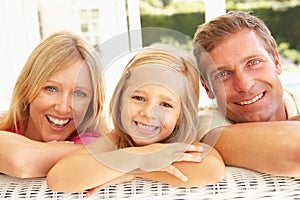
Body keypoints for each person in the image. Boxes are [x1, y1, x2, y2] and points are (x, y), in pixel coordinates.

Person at [46, 47, 225, 195]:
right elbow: (58, 178)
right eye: (138, 98)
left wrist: (131, 169)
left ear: (181, 116)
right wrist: (140, 158)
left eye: (165, 104)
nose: (148, 112)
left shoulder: (180, 146)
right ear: (120, 101)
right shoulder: (115, 140)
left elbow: (213, 169)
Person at [193, 10, 300, 176]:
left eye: (253, 63)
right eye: (222, 74)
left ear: (276, 61)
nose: (244, 85)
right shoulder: (205, 125)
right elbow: (296, 151)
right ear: (207, 88)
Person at [0, 31, 107, 178]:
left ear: (91, 104)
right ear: (26, 87)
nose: (63, 108)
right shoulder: (6, 125)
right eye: (51, 89)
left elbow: (21, 162)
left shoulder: (91, 142)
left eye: (79, 94)